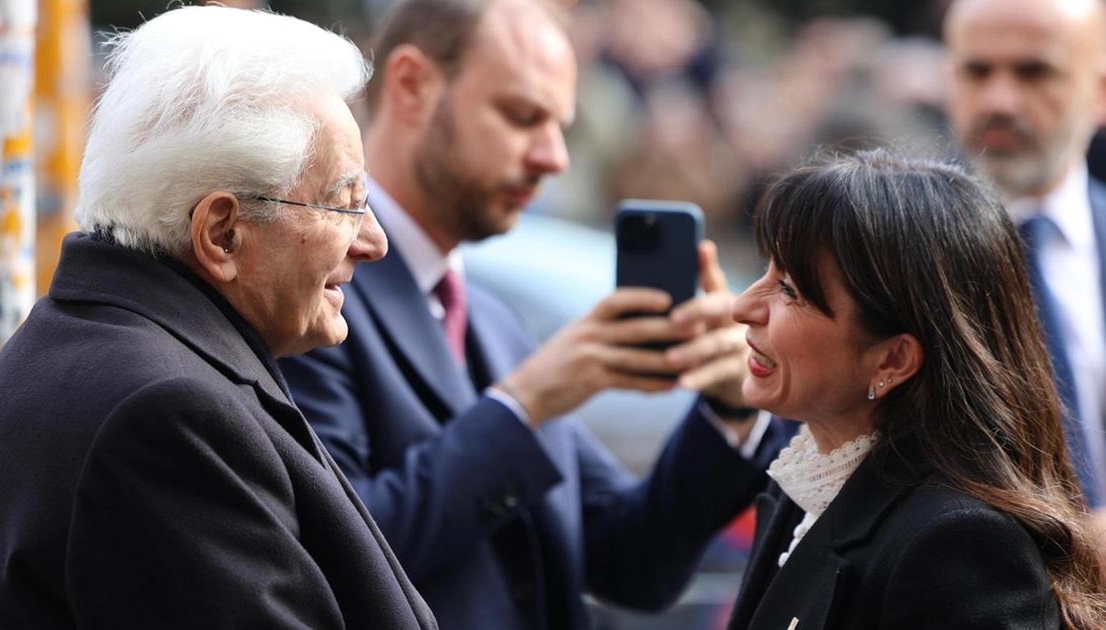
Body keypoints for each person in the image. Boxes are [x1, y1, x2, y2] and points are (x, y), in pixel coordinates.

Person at [278, 0, 787, 626]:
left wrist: (729, 411)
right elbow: (336, 555)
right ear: (412, 84)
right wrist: (526, 403)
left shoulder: (491, 322)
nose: (554, 157)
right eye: (522, 116)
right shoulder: (309, 296)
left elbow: (633, 561)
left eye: (561, 128)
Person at [0, 7, 437, 629]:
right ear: (222, 234)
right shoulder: (165, 413)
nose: (373, 241)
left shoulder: (98, 349)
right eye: (344, 204)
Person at [725, 149, 1106, 629]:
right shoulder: (813, 483)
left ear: (893, 359)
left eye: (790, 290)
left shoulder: (958, 545)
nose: (743, 306)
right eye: (767, 271)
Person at [944, 0, 1106, 523]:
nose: (999, 99)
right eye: (977, 70)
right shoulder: (884, 258)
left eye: (1035, 71)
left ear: (1099, 89)